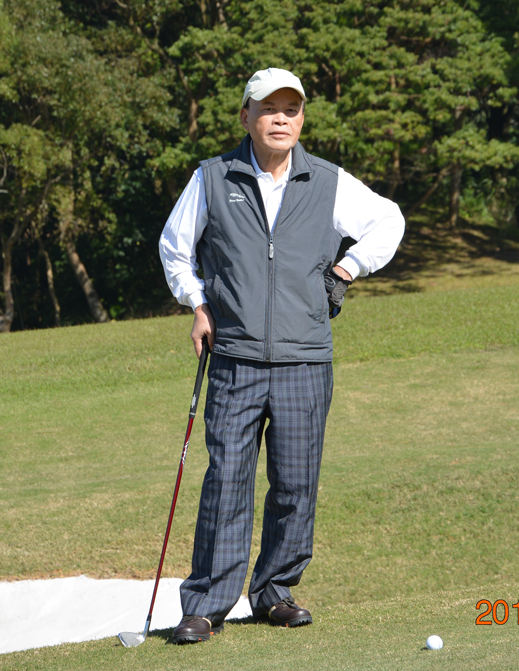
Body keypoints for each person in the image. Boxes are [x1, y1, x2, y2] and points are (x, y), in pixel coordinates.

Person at [158, 67, 405, 644]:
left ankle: (274, 593)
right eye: (269, 109)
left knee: (295, 484)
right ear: (245, 116)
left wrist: (347, 268)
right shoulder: (213, 177)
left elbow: (388, 220)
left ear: (302, 119)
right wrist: (198, 302)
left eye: (291, 110)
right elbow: (175, 249)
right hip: (235, 357)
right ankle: (207, 605)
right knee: (227, 481)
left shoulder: (328, 181)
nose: (280, 119)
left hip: (305, 359)